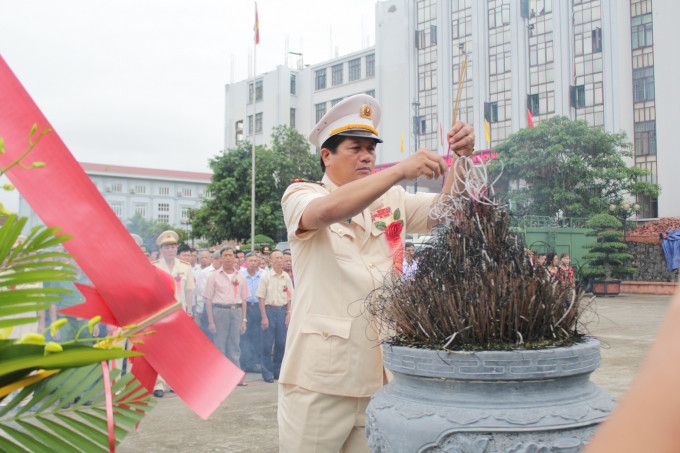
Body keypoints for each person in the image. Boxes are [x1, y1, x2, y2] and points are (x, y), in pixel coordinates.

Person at [278, 94, 475, 452]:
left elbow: (450, 208)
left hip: (381, 376)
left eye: (372, 148)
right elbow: (324, 214)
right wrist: (399, 169)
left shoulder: (391, 200)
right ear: (327, 155)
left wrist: (462, 158)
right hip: (320, 381)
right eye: (356, 148)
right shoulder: (301, 194)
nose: (368, 156)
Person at [202, 246, 249, 381]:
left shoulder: (241, 277)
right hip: (220, 312)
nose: (228, 258)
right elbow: (208, 300)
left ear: (235, 258)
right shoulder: (213, 276)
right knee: (219, 345)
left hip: (236, 312)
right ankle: (219, 377)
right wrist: (211, 321)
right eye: (225, 255)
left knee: (234, 345)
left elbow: (244, 300)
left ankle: (236, 377)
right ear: (220, 258)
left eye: (230, 255)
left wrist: (244, 320)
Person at [256, 250, 293, 384]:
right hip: (269, 311)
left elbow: (289, 297)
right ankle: (267, 372)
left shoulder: (286, 277)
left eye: (281, 258)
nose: (279, 260)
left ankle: (278, 371)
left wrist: (289, 314)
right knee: (267, 344)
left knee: (282, 343)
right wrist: (264, 317)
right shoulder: (266, 277)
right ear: (270, 261)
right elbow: (261, 298)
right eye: (276, 258)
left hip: (282, 311)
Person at [152, 233, 195, 316]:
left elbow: (188, 291)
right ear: (160, 250)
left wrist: (189, 312)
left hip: (180, 310)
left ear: (176, 249)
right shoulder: (154, 267)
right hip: (160, 312)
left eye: (173, 247)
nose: (170, 250)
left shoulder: (185, 266)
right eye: (166, 248)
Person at [240, 252, 264, 373]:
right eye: (250, 261)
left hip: (258, 308)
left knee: (256, 336)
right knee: (244, 336)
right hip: (245, 308)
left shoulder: (262, 276)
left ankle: (253, 363)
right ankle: (243, 363)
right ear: (245, 262)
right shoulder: (240, 276)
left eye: (255, 261)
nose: (253, 263)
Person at [195, 250, 221, 340]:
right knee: (209, 334)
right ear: (213, 259)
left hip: (222, 308)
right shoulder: (205, 272)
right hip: (209, 306)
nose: (222, 265)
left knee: (220, 335)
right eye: (220, 262)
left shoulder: (226, 271)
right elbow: (202, 291)